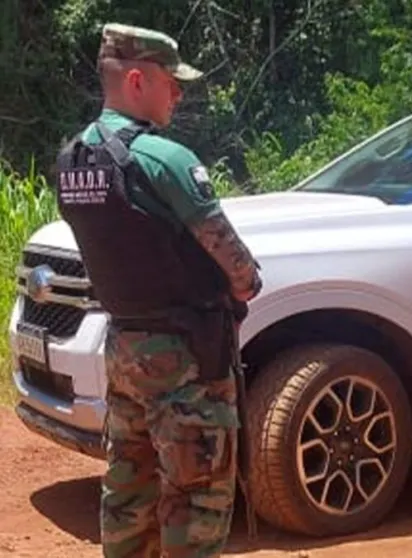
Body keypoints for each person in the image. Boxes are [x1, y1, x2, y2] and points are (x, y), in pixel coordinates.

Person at [52, 23, 262, 556]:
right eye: (173, 82)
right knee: (196, 497)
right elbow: (237, 265)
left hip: (124, 352)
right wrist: (245, 284)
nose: (179, 94)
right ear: (139, 80)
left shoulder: (71, 161)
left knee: (130, 490)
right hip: (185, 357)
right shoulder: (164, 159)